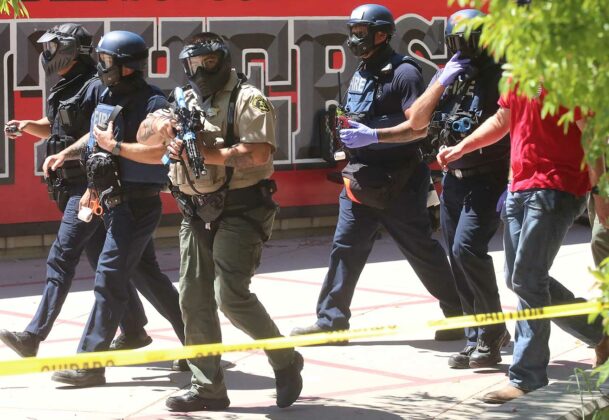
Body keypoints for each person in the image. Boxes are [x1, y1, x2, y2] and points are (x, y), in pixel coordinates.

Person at [121, 32, 303, 411]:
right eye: (192, 65)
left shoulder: (248, 99)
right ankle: (207, 387)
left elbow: (256, 154)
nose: (200, 71)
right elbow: (145, 132)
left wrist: (207, 152)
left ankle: (285, 359)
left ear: (224, 60)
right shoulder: (183, 98)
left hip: (241, 207)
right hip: (194, 209)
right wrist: (163, 130)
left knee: (230, 296)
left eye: (208, 63)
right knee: (193, 298)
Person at [338, 9, 511, 369]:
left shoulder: (500, 77)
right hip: (454, 180)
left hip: (487, 176)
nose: (460, 49)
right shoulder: (455, 76)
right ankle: (475, 335)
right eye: (454, 43)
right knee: (456, 257)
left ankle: (492, 333)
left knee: (467, 250)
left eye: (466, 41)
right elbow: (418, 121)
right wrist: (442, 81)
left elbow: (505, 124)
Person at [291, 3, 464, 342]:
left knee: (420, 249)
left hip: (398, 180)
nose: (354, 38)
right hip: (360, 177)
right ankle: (331, 321)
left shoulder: (405, 73)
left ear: (382, 34)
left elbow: (419, 126)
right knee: (345, 246)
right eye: (352, 32)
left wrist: (371, 132)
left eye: (361, 32)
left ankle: (458, 312)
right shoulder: (362, 70)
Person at [437, 80, 609, 402]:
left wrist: (600, 192)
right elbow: (503, 119)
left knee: (528, 279)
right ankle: (599, 332)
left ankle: (527, 377)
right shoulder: (518, 70)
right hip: (518, 187)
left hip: (556, 187)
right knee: (520, 280)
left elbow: (591, 134)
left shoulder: (566, 73)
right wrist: (462, 147)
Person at [0, 23, 153, 359]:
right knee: (104, 261)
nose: (47, 54)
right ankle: (134, 329)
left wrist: (90, 181)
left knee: (61, 256)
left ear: (71, 50)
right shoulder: (67, 85)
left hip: (88, 189)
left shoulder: (94, 86)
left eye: (53, 47)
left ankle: (33, 336)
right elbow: (54, 126)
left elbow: (98, 136)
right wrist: (27, 126)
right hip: (71, 185)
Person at [48, 30, 186, 387]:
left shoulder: (153, 102)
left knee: (108, 278)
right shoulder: (108, 93)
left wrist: (117, 148)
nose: (101, 67)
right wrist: (70, 152)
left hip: (136, 205)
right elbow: (96, 137)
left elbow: (157, 152)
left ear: (126, 67)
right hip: (109, 201)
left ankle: (90, 364)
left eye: (107, 62)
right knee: (151, 279)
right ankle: (201, 345)